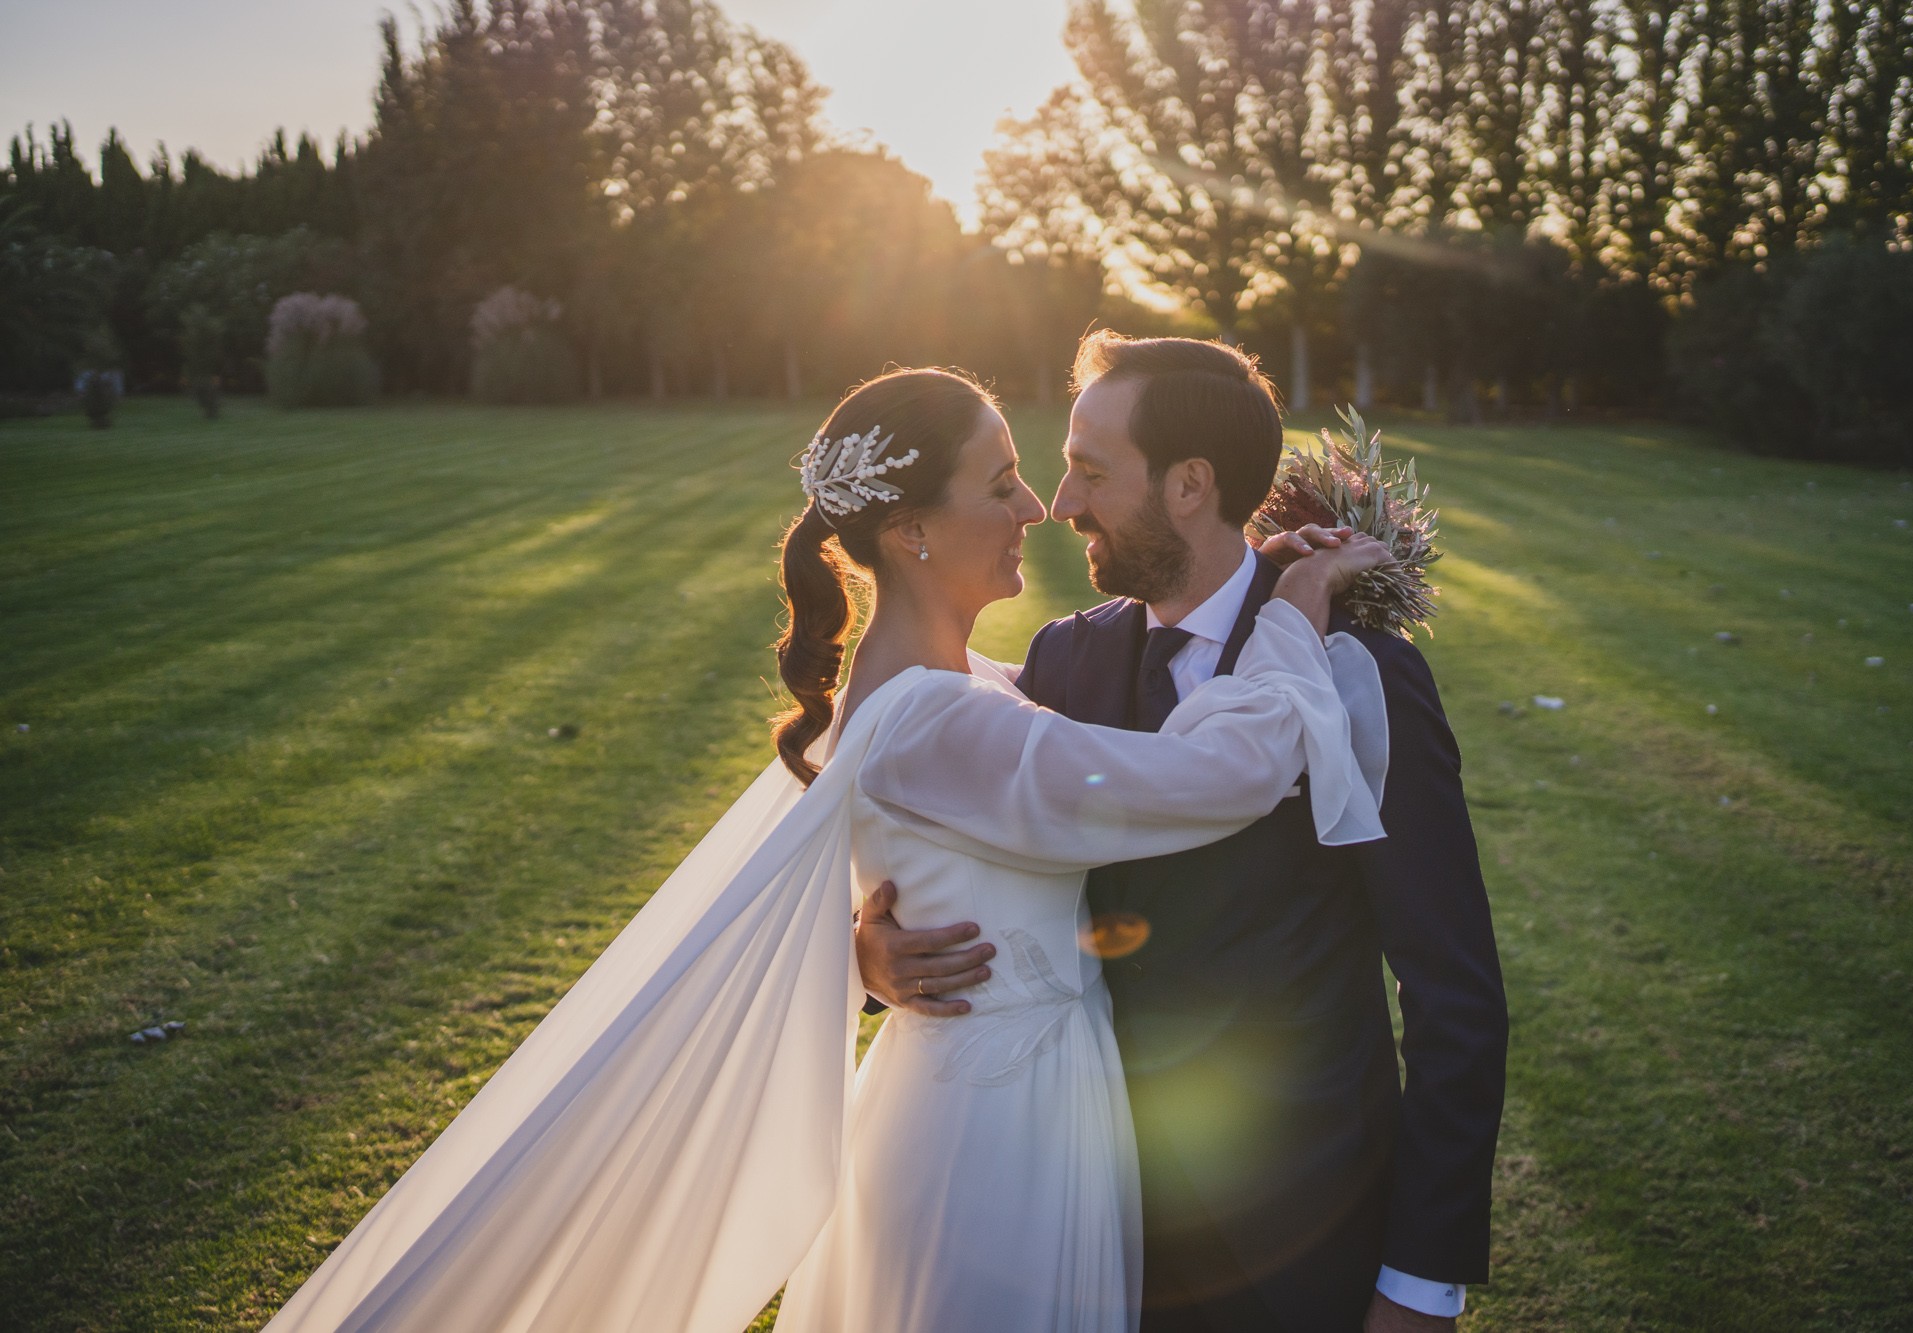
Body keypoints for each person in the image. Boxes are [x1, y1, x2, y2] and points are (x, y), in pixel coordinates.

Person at [264, 367, 1397, 1333]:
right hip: (992, 1140)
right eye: (1000, 481)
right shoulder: (940, 725)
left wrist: (863, 948)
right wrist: (1293, 606)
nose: (1034, 508)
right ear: (908, 527)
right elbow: (1214, 778)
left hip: (1013, 1099)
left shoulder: (956, 697)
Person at [857, 336, 1510, 1333]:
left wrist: (1420, 1281)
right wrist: (869, 952)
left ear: (1189, 485)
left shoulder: (1354, 674)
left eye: (1088, 470)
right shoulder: (1061, 658)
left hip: (1301, 1230)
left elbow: (1453, 993)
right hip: (1087, 1212)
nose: (1060, 503)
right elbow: (946, 825)